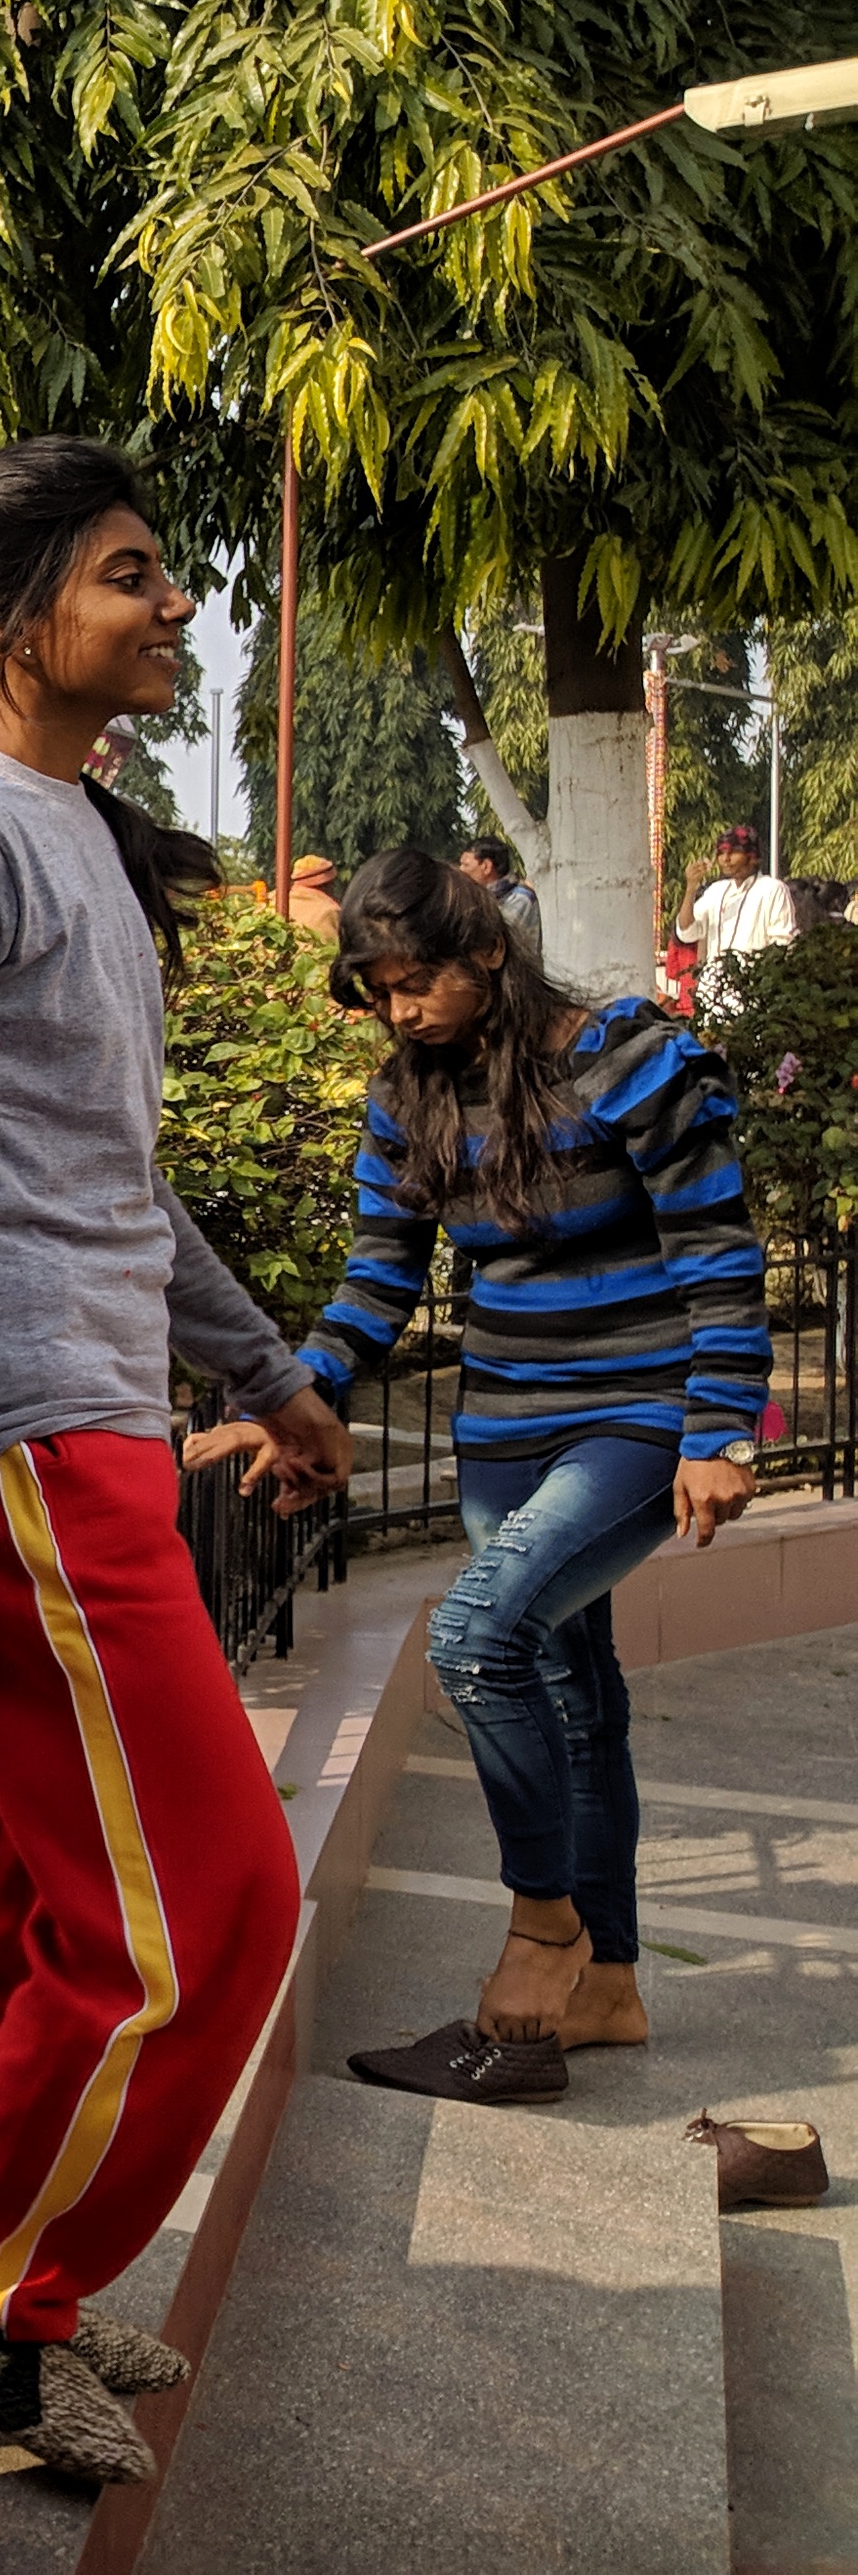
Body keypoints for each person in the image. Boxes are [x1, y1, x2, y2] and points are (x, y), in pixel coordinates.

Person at [0, 440, 348, 2481]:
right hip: (31, 1448)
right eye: (130, 574)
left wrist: (265, 1367)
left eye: (173, 573)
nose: (173, 608)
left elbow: (107, 1183)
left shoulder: (62, 828)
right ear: (5, 613)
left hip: (81, 1421)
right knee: (204, 1912)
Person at [292, 849, 764, 2104]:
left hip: (633, 1417)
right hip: (503, 1424)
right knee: (567, 1684)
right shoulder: (409, 1099)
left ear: (489, 953)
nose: (401, 1012)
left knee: (473, 1637)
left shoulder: (631, 1060)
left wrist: (719, 1432)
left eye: (417, 984)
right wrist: (295, 1394)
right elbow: (378, 1277)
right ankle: (608, 1986)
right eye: (379, 992)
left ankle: (542, 1927)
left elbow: (716, 1253)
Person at [679, 823, 797, 1008]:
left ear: (752, 857)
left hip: (752, 997)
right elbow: (687, 933)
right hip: (712, 996)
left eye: (733, 852)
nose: (725, 859)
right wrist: (690, 889)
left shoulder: (772, 889)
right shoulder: (715, 891)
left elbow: (782, 946)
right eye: (721, 853)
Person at [458, 834, 541, 964]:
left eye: (465, 865)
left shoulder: (521, 899)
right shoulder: (486, 898)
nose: (460, 871)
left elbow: (491, 938)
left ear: (486, 866)